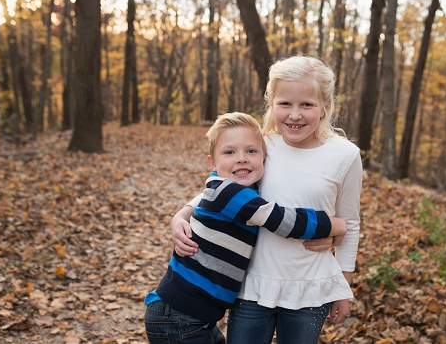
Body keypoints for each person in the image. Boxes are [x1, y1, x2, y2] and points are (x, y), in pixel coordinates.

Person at [172, 57, 361, 344]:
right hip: (252, 284)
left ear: (324, 106)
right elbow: (224, 189)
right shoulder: (263, 144)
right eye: (285, 104)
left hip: (310, 287)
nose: (295, 115)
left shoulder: (344, 155)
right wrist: (182, 214)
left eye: (306, 105)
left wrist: (343, 284)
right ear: (272, 103)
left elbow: (350, 221)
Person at [144, 112, 347, 344]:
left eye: (251, 151)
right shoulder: (229, 193)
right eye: (229, 152)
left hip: (193, 316)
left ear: (264, 157)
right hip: (178, 317)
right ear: (212, 162)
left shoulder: (241, 191)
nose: (241, 158)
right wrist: (336, 225)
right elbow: (283, 220)